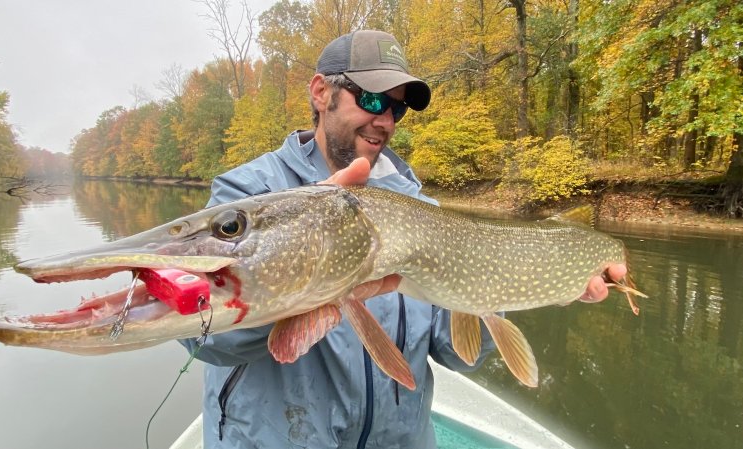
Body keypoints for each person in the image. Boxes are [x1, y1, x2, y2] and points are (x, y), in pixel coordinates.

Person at [179, 29, 626, 448]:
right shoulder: (247, 197)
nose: (385, 120)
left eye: (397, 108)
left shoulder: (422, 212)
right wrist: (308, 262)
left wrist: (524, 281)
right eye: (371, 99)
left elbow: (457, 355)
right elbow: (209, 339)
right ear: (320, 93)